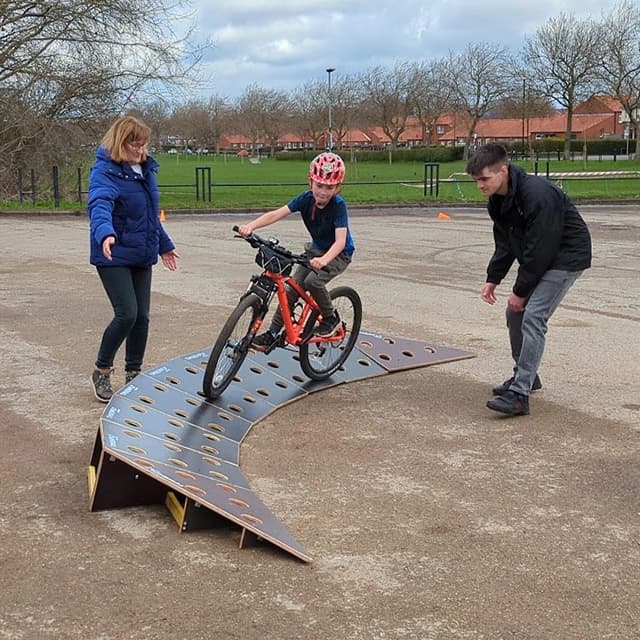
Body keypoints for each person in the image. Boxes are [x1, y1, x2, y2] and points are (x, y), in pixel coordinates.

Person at [466, 143, 592, 416]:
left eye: (484, 179)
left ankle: (520, 395)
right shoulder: (498, 201)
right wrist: (493, 278)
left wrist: (520, 291)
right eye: (476, 180)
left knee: (533, 314)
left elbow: (541, 248)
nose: (480, 185)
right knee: (515, 314)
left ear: (503, 170)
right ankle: (527, 375)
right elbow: (506, 243)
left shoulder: (537, 194)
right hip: (542, 256)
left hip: (566, 256)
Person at [87, 115, 179, 403]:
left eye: (144, 145)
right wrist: (105, 234)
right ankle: (102, 369)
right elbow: (99, 204)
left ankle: (133, 374)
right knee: (126, 312)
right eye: (134, 145)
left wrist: (164, 245)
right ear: (120, 142)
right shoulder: (105, 171)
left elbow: (150, 215)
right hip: (112, 252)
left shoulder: (145, 170)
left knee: (142, 317)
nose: (140, 151)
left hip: (141, 252)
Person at [237, 151, 355, 351]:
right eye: (319, 185)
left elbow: (340, 242)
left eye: (329, 187)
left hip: (338, 255)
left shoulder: (338, 206)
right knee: (292, 289)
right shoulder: (305, 199)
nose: (323, 192)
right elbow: (277, 214)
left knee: (312, 282)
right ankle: (273, 334)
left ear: (338, 188)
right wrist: (251, 227)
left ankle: (331, 318)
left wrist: (325, 260)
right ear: (311, 183)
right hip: (315, 251)